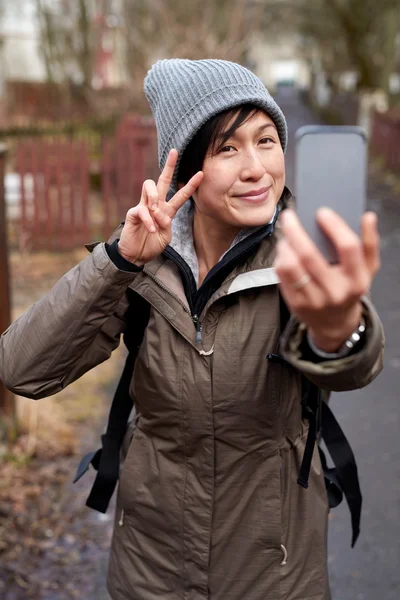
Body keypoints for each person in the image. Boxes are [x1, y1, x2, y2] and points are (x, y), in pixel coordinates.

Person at [0, 59, 384, 600]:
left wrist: (339, 325)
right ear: (184, 171)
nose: (257, 168)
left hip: (274, 577)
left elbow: (357, 363)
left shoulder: (304, 256)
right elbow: (21, 370)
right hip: (150, 574)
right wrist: (116, 262)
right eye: (227, 148)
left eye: (267, 140)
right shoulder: (141, 261)